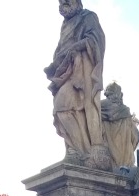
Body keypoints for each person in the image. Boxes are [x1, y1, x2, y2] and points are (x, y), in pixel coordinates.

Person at [44, 0, 105, 158]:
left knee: (62, 107)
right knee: (64, 109)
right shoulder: (65, 24)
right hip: (65, 69)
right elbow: (61, 47)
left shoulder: (88, 17)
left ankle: (83, 150)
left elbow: (96, 40)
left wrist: (77, 47)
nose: (64, 1)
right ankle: (76, 149)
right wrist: (56, 62)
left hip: (81, 70)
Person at [101, 82, 139, 169]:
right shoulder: (126, 113)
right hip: (126, 163)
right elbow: (136, 137)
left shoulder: (100, 109)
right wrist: (129, 150)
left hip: (109, 161)